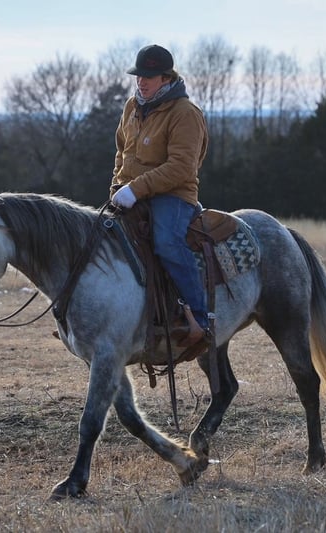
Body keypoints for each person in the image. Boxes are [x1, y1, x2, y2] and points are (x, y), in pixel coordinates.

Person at [110, 44, 210, 347]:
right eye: (139, 76)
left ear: (167, 78)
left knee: (167, 242)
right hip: (131, 193)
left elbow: (181, 167)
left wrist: (135, 189)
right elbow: (121, 152)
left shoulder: (185, 113)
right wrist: (117, 187)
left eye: (149, 77)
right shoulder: (132, 106)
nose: (141, 81)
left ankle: (199, 318)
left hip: (174, 194)